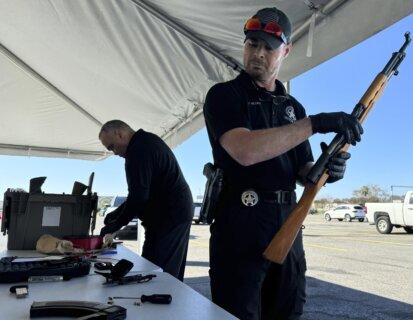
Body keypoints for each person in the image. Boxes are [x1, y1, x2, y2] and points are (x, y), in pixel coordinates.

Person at [203, 7, 363, 319]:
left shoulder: (293, 107)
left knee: (287, 310)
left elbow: (303, 170)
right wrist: (315, 123)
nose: (258, 53)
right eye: (252, 44)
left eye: (268, 47)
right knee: (237, 312)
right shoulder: (225, 95)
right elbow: (244, 151)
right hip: (240, 223)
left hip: (287, 223)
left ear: (285, 51)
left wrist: (327, 170)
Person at [98, 120, 193, 281]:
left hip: (169, 215)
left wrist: (116, 224)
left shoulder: (138, 149)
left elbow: (139, 196)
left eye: (112, 146)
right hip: (173, 212)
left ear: (120, 134)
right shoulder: (145, 141)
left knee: (156, 272)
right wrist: (117, 213)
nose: (114, 152)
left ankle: (163, 302)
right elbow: (140, 193)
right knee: (164, 268)